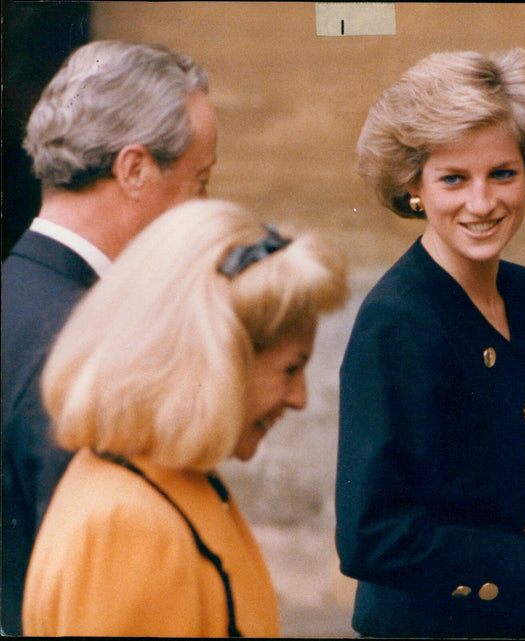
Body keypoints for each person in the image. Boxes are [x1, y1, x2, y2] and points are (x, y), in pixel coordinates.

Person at [335, 48, 525, 639]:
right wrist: (523, 566)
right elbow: (373, 537)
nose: (482, 202)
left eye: (502, 173)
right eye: (453, 179)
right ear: (414, 187)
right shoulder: (395, 324)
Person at [22, 198, 348, 636]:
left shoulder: (165, 485)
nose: (301, 398)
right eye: (291, 368)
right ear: (216, 359)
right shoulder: (129, 528)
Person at [1, 40, 217, 634]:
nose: (206, 205)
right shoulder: (89, 343)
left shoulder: (17, 290)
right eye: (201, 180)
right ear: (135, 169)